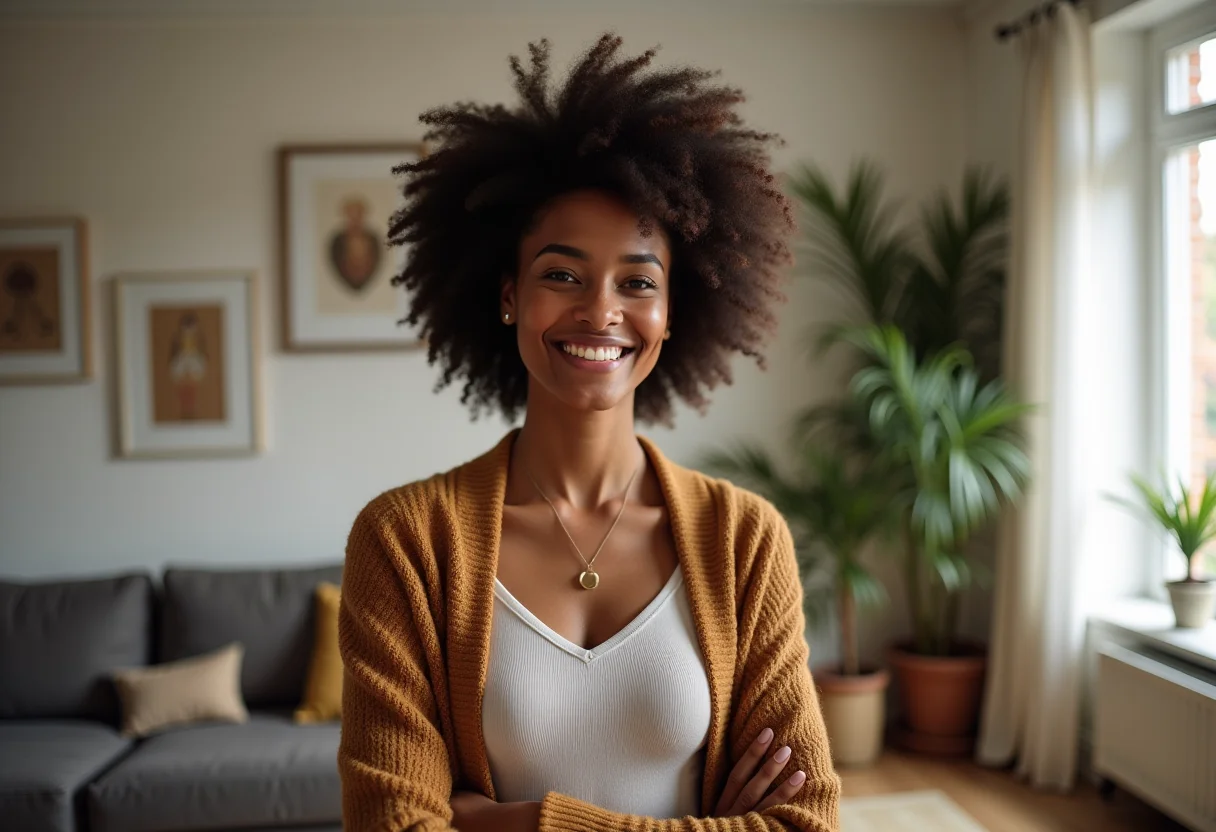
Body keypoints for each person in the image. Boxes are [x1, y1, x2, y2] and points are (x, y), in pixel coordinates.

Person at [338, 33, 841, 832]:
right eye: (562, 274)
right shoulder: (404, 542)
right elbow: (391, 824)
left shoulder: (745, 542)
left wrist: (519, 819)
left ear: (673, 312)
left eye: (637, 281)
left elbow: (806, 822)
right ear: (509, 296)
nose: (600, 312)